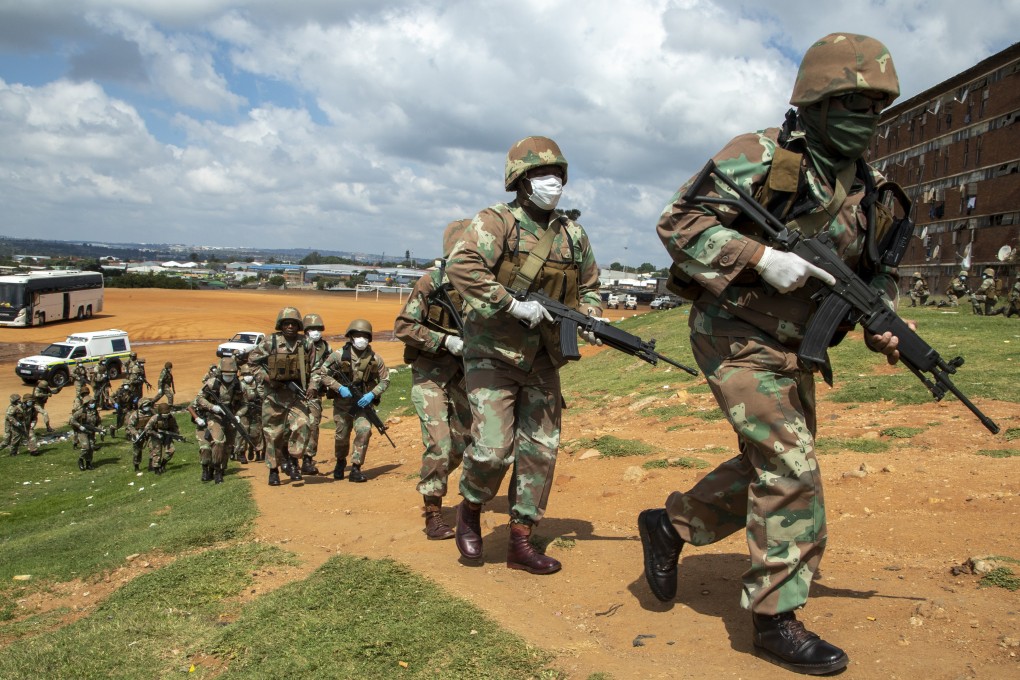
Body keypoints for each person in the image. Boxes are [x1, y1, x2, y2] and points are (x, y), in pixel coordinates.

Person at [639, 33, 911, 675]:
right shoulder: (763, 154)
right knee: (791, 468)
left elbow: (873, 278)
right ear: (813, 105)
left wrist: (880, 324)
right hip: (733, 330)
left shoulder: (876, 190)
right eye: (851, 104)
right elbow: (679, 223)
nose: (866, 120)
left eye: (875, 108)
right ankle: (773, 620)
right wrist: (762, 256)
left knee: (773, 461)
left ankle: (672, 524)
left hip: (797, 345)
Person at [445, 135, 603, 575]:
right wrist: (509, 303)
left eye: (556, 174)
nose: (551, 182)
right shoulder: (497, 222)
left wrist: (587, 317)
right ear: (520, 180)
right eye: (540, 174)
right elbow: (461, 265)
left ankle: (521, 539)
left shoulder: (573, 234)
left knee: (540, 452)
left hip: (543, 359)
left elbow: (590, 286)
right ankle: (471, 507)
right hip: (492, 355)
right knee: (493, 450)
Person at [394, 220, 473, 539]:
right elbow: (403, 327)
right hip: (431, 374)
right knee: (440, 443)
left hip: (466, 376)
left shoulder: (487, 287)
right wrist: (444, 341)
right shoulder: (432, 283)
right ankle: (433, 512)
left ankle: (453, 496)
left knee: (468, 442)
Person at [314, 319, 390, 483]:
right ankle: (340, 461)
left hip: (363, 404)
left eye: (364, 335)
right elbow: (322, 373)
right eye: (357, 335)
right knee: (341, 436)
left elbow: (385, 380)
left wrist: (372, 394)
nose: (361, 338)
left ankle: (356, 467)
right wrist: (338, 387)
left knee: (364, 430)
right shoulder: (338, 355)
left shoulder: (375, 359)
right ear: (350, 337)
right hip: (343, 404)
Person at [247, 307, 313, 486]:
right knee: (273, 435)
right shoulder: (271, 342)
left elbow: (315, 368)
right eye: (286, 323)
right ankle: (273, 470)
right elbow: (252, 362)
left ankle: (293, 460)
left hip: (296, 396)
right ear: (281, 325)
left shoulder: (305, 343)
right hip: (274, 397)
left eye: (293, 323)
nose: (290, 326)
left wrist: (312, 386)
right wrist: (268, 378)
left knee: (304, 424)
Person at [194, 356, 245, 484]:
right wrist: (213, 407)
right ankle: (215, 470)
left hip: (231, 417)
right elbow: (199, 398)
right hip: (214, 417)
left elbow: (245, 404)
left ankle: (221, 468)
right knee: (218, 441)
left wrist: (238, 414)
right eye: (226, 374)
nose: (229, 377)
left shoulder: (239, 385)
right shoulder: (212, 383)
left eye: (232, 374)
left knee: (228, 446)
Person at [300, 313, 332, 475]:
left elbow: (329, 369)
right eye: (312, 329)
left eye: (318, 329)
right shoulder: (297, 344)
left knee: (313, 425)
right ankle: (288, 459)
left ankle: (307, 459)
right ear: (305, 330)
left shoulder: (326, 347)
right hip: (295, 392)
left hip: (315, 393)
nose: (316, 332)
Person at [235, 364, 266, 462]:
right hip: (243, 412)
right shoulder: (239, 385)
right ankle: (241, 453)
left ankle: (257, 451)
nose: (247, 376)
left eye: (249, 373)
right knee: (242, 432)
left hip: (256, 412)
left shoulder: (258, 384)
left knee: (256, 433)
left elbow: (263, 395)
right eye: (245, 374)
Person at [141, 402, 180, 475]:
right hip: (155, 436)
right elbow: (147, 429)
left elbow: (175, 426)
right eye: (164, 415)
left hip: (166, 436)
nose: (166, 416)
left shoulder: (171, 417)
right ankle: (156, 469)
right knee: (157, 452)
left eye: (167, 414)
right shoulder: (154, 418)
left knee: (171, 450)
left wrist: (176, 435)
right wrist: (156, 434)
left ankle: (163, 464)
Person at [70, 397, 103, 470]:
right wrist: (80, 426)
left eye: (93, 403)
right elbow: (72, 420)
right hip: (82, 432)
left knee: (91, 447)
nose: (93, 404)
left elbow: (98, 421)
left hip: (91, 432)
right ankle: (80, 459)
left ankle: (88, 463)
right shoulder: (81, 411)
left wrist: (100, 430)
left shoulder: (95, 411)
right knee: (86, 447)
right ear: (87, 403)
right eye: (91, 403)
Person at [127, 398, 155, 472]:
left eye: (149, 405)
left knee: (153, 448)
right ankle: (136, 466)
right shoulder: (135, 415)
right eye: (146, 405)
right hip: (139, 434)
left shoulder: (151, 412)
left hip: (149, 433)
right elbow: (130, 426)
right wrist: (135, 434)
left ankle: (151, 465)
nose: (148, 407)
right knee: (137, 451)